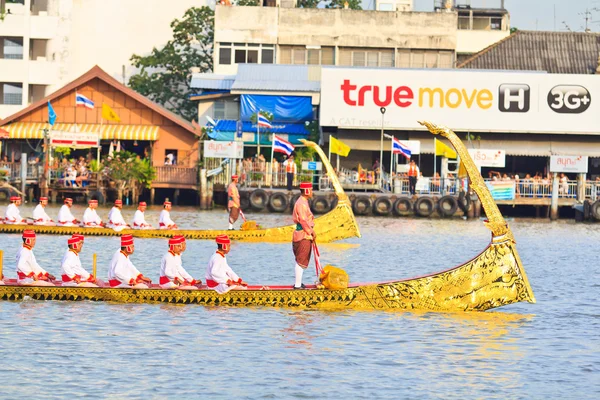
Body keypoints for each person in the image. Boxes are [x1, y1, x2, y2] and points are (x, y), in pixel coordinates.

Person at [292, 182, 315, 289]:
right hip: (303, 235)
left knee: (301, 259)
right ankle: (297, 285)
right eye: (310, 190)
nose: (312, 192)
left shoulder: (304, 202)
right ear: (306, 191)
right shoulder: (301, 203)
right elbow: (303, 221)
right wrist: (311, 232)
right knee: (301, 259)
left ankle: (298, 283)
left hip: (304, 234)